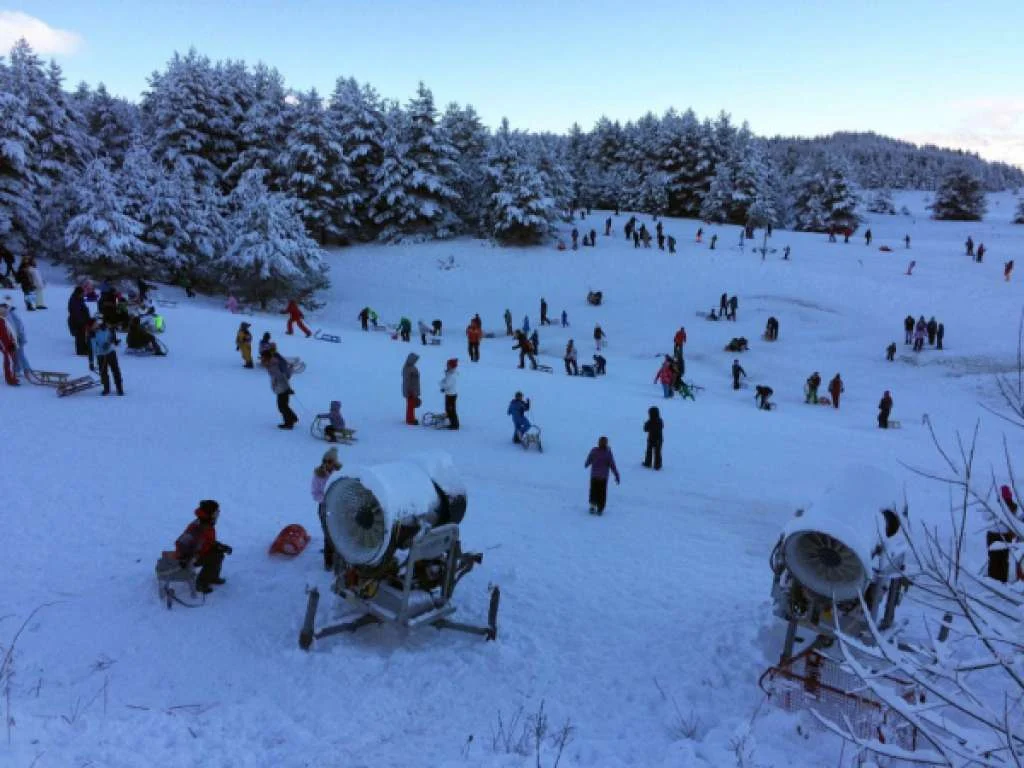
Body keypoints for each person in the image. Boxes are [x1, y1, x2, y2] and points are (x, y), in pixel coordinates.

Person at [174, 500, 231, 594]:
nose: (218, 513)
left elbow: (208, 541)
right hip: (189, 558)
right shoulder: (199, 527)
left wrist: (220, 546)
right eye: (216, 511)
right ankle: (201, 584)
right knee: (214, 557)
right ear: (211, 513)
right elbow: (182, 542)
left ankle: (212, 577)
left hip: (199, 552)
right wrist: (183, 558)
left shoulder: (207, 523)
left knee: (218, 554)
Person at [311, 448, 343, 569]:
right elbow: (315, 493)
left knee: (338, 532)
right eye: (326, 461)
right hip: (325, 508)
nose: (328, 463)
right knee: (328, 533)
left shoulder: (340, 472)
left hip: (339, 508)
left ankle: (338, 555)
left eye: (330, 461)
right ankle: (328, 563)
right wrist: (326, 499)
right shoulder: (318, 474)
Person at [262, 345, 297, 429]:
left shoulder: (273, 365)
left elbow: (282, 377)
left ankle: (289, 423)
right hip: (280, 387)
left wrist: (288, 388)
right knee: (284, 405)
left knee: (282, 406)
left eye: (263, 358)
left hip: (283, 388)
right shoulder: (272, 364)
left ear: (267, 357)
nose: (262, 360)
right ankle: (293, 418)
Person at [584, 436, 620, 515]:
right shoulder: (608, 453)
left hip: (594, 476)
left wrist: (587, 464)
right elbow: (612, 465)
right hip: (603, 477)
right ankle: (600, 507)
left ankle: (593, 505)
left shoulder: (594, 451)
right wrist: (616, 475)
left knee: (593, 490)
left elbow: (589, 459)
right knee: (602, 492)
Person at [92, 318, 124, 396]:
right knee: (103, 372)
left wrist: (108, 343)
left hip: (111, 353)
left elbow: (111, 337)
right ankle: (106, 389)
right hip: (101, 356)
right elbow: (93, 346)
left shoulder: (108, 329)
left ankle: (119, 389)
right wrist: (100, 350)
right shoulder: (93, 333)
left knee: (115, 370)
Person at [0, 304, 18, 385]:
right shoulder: (1, 321)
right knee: (9, 361)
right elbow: (3, 335)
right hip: (6, 346)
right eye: (4, 311)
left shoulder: (4, 320)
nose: (6, 312)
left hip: (10, 344)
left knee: (12, 361)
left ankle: (12, 377)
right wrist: (8, 345)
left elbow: (10, 332)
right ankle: (10, 379)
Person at [440, 358, 459, 430]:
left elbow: (447, 384)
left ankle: (454, 424)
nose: (447, 366)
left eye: (448, 365)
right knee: (449, 409)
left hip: (451, 395)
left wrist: (442, 385)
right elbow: (446, 381)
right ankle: (451, 421)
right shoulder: (450, 373)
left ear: (451, 366)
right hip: (449, 394)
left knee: (450, 410)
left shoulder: (452, 375)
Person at [402, 352, 421, 425]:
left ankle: (411, 418)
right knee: (411, 406)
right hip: (411, 390)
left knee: (412, 405)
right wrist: (409, 391)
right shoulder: (408, 369)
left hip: (413, 390)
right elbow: (407, 381)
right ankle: (410, 420)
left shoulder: (411, 367)